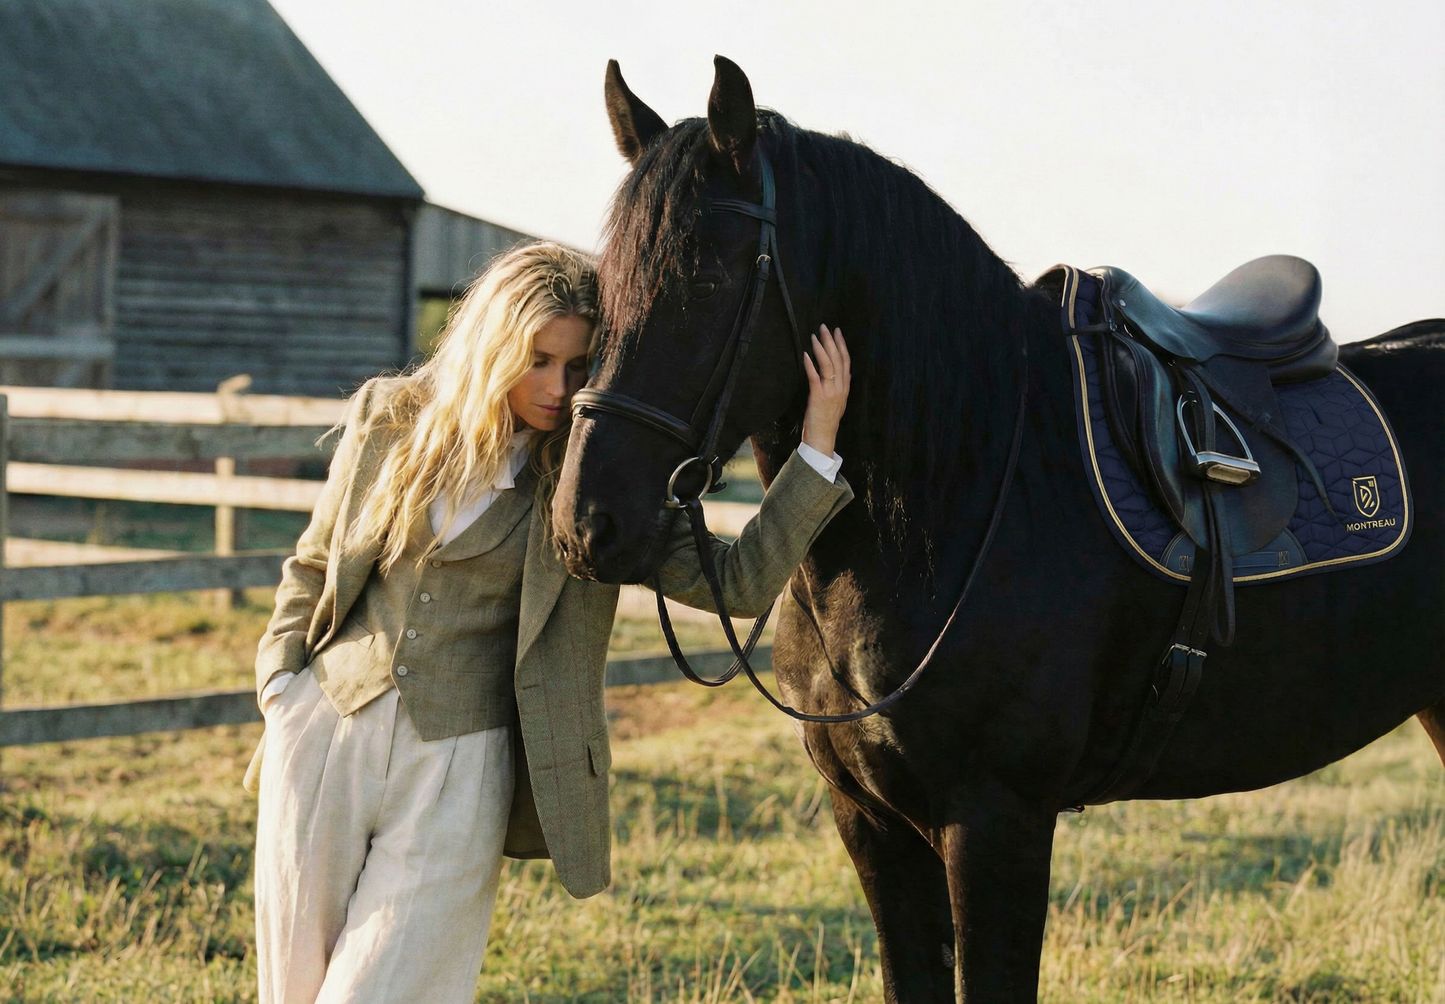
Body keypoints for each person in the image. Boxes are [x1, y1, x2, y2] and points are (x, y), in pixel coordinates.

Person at [246, 241, 852, 1004]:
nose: (557, 389)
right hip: (325, 735)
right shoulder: (388, 419)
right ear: (491, 345)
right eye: (537, 360)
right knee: (289, 992)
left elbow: (738, 580)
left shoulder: (592, 487)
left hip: (460, 766)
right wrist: (281, 687)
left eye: (577, 368)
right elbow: (313, 563)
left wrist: (817, 443)